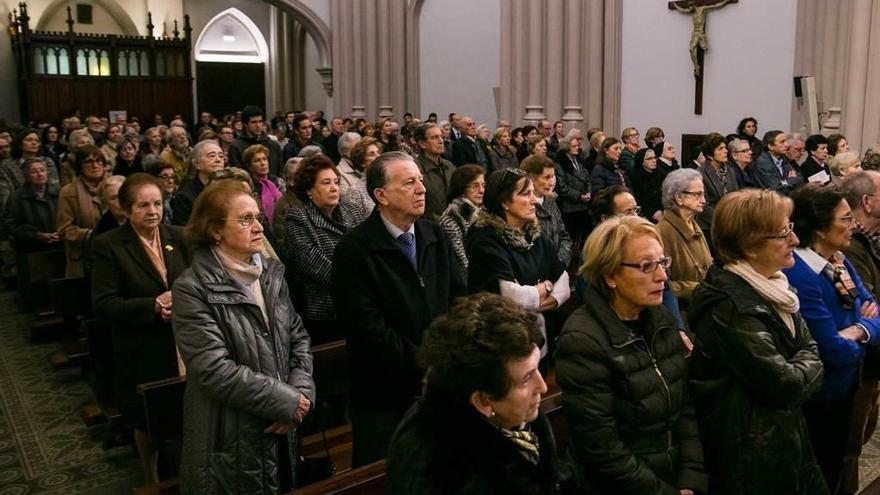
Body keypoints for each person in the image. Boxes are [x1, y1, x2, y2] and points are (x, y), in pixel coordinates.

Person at [173, 180, 314, 493]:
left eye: (258, 218)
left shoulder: (272, 274)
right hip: (230, 436)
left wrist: (301, 393)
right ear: (215, 231)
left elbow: (299, 338)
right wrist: (287, 401)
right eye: (245, 220)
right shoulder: (192, 288)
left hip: (283, 425)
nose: (258, 228)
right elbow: (212, 368)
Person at [687, 188, 827, 494]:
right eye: (782, 234)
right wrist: (809, 360)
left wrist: (806, 357)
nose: (795, 240)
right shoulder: (734, 308)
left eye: (790, 228)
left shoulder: (776, 289)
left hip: (777, 440)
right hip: (750, 455)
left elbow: (807, 349)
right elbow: (787, 384)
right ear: (750, 248)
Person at [556, 215, 707, 494]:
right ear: (610, 276)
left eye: (663, 263)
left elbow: (685, 408)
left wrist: (693, 478)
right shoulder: (582, 340)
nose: (662, 275)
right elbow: (603, 448)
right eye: (646, 266)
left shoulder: (660, 317)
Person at [331, 151, 465, 467]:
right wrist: (424, 364)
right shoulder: (354, 249)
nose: (422, 189)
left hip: (438, 384)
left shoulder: (435, 235)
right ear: (381, 195)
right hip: (384, 393)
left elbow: (459, 299)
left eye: (420, 180)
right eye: (409, 183)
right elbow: (366, 328)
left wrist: (446, 359)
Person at [388, 293, 560, 494]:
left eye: (537, 368)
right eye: (526, 378)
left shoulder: (511, 414)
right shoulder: (445, 475)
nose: (543, 387)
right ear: (483, 400)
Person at [91, 173, 191, 485]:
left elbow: (198, 279)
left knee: (188, 411)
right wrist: (152, 306)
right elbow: (104, 303)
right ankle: (151, 478)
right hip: (142, 345)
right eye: (143, 205)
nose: (152, 211)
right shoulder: (109, 245)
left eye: (158, 203)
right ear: (125, 209)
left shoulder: (178, 236)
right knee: (148, 419)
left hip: (184, 341)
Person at [785, 183, 880, 493]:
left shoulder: (839, 260)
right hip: (819, 397)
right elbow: (833, 351)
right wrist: (864, 328)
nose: (853, 225)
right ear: (820, 228)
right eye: (845, 219)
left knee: (840, 466)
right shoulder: (801, 273)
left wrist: (859, 330)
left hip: (845, 387)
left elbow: (875, 311)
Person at [466, 168, 571, 361]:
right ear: (504, 201)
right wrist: (547, 285)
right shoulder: (485, 239)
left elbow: (563, 281)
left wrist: (539, 295)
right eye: (526, 194)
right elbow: (512, 297)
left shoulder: (533, 233)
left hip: (540, 337)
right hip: (504, 346)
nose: (534, 200)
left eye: (533, 193)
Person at [284, 154, 359, 345]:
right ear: (309, 189)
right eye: (326, 183)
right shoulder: (298, 218)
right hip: (326, 313)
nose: (334, 187)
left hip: (360, 305)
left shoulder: (350, 210)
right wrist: (362, 278)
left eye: (336, 181)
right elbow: (317, 267)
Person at [840, 172, 880, 494]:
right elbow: (867, 306)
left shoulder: (872, 239)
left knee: (862, 432)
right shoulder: (851, 246)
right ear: (866, 202)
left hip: (872, 357)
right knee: (848, 447)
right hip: (860, 362)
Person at [6, 157, 61, 310]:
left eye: (42, 170)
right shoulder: (17, 197)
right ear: (27, 175)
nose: (39, 174)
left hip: (58, 245)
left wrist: (61, 232)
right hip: (31, 249)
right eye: (34, 171)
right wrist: (37, 235)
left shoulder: (58, 192)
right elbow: (12, 225)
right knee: (39, 294)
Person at [657, 168, 712, 304]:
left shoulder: (693, 224)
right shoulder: (663, 231)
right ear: (679, 198)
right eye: (697, 195)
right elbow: (663, 285)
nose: (703, 200)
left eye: (703, 194)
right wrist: (699, 289)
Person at [57, 145, 105, 277]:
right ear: (80, 166)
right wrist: (94, 235)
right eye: (89, 162)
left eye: (98, 161)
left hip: (112, 254)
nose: (95, 165)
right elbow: (65, 231)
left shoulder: (113, 188)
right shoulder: (68, 192)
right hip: (83, 257)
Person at [521, 154, 572, 267]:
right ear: (531, 178)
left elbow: (564, 236)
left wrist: (561, 261)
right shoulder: (522, 206)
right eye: (546, 177)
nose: (551, 183)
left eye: (553, 177)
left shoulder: (550, 201)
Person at [439, 165, 485, 281]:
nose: (481, 190)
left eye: (483, 185)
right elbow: (461, 263)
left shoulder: (483, 212)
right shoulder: (451, 217)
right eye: (475, 185)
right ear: (461, 189)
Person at [554, 129, 591, 251]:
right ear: (566, 147)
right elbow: (562, 187)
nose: (577, 148)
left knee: (584, 238)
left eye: (577, 145)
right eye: (574, 146)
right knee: (571, 237)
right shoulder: (560, 164)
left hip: (583, 206)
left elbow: (587, 178)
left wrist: (588, 192)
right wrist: (580, 196)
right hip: (570, 207)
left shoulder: (579, 161)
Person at [172, 140, 225, 226]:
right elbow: (182, 231)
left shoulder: (229, 188)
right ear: (196, 164)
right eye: (212, 156)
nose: (218, 160)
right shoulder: (185, 196)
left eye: (221, 156)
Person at [697, 132, 739, 236]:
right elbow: (703, 206)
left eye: (725, 148)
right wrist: (723, 221)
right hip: (709, 226)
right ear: (710, 155)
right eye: (720, 149)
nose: (725, 151)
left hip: (730, 224)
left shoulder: (730, 171)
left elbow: (736, 197)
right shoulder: (701, 173)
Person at [414, 123, 455, 222]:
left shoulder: (449, 166)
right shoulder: (414, 168)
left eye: (441, 137)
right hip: (427, 225)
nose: (441, 141)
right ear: (422, 144)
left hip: (451, 224)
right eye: (435, 137)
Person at [229, 105, 285, 176]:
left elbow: (279, 172)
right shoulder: (236, 147)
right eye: (253, 122)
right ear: (245, 124)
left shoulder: (273, 145)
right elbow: (237, 175)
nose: (258, 125)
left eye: (260, 121)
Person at [243, 144, 284, 229]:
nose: (263, 163)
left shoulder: (278, 182)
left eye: (264, 159)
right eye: (257, 161)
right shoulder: (248, 187)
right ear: (250, 166)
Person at [629, 147, 664, 222]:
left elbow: (665, 194)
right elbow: (637, 198)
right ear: (641, 161)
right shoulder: (635, 176)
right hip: (643, 214)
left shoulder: (660, 173)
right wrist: (652, 213)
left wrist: (661, 210)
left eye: (655, 158)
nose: (654, 161)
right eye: (649, 158)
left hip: (662, 212)